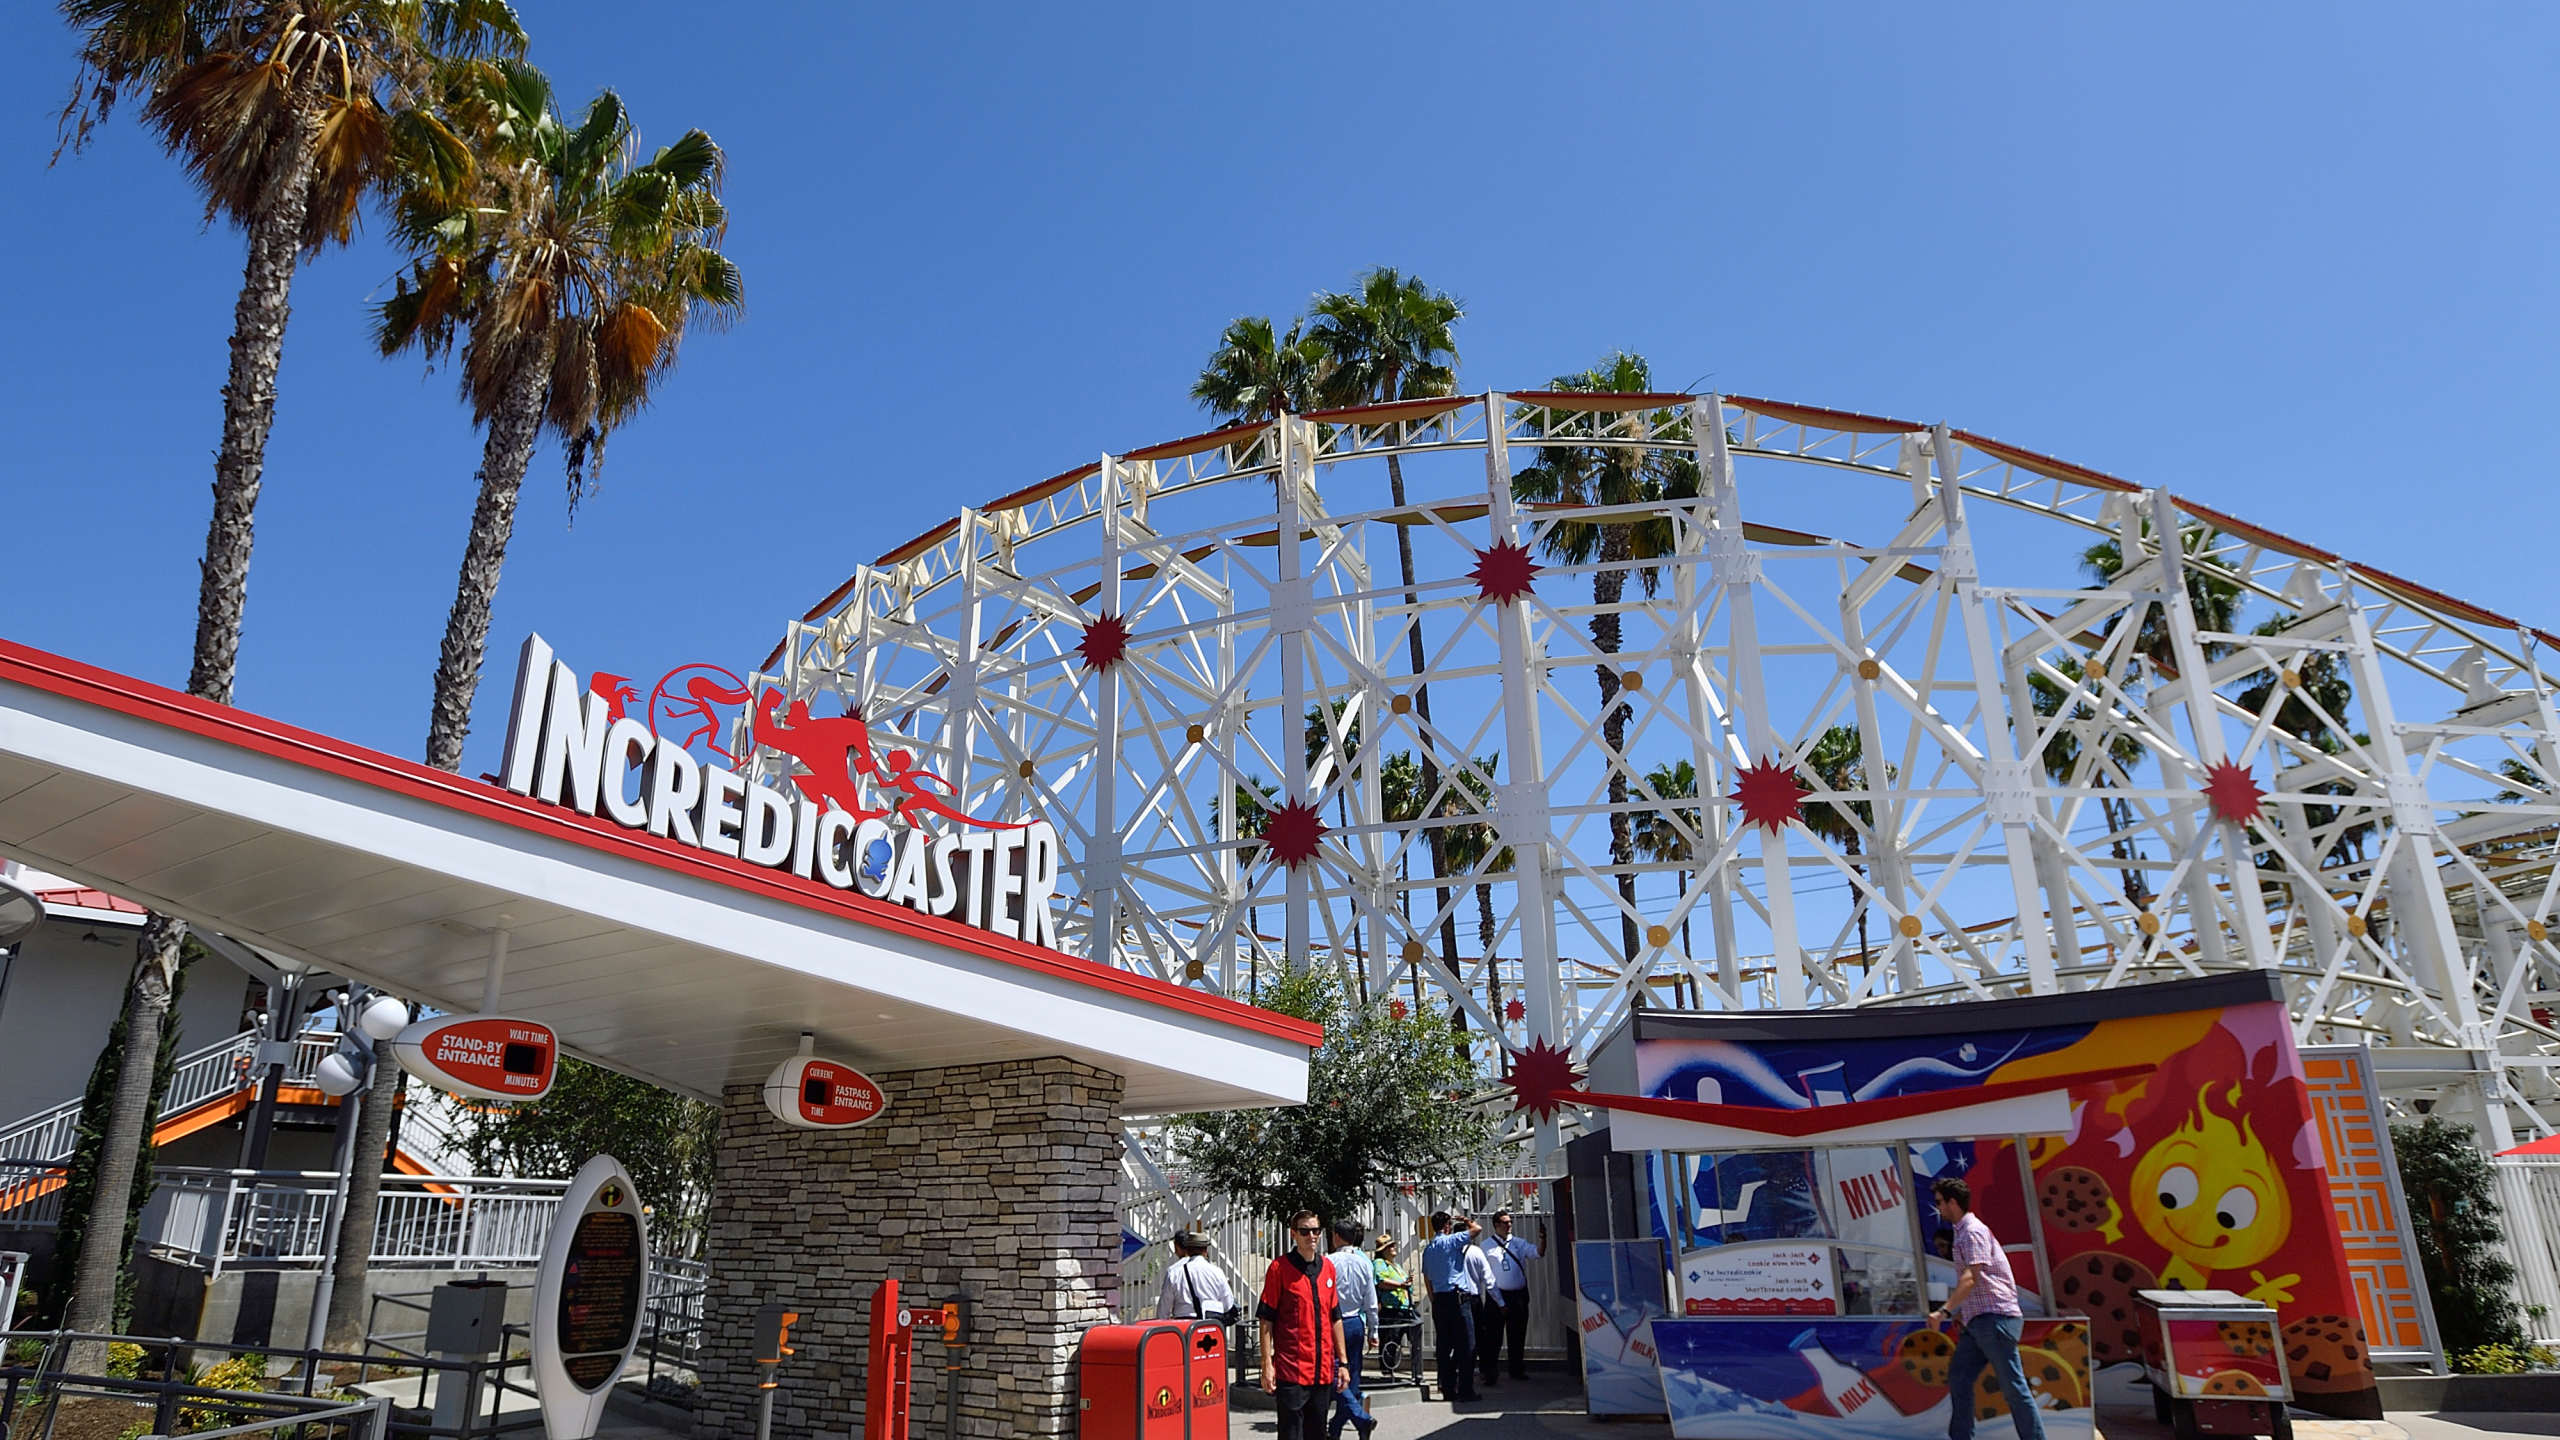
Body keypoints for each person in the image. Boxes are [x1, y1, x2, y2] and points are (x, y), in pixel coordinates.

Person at [1928, 1178, 2047, 1440]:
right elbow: (1980, 1282)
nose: (1937, 1208)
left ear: (1953, 1203)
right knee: (1959, 1378)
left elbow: (1972, 1276)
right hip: (1980, 1320)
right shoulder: (1962, 1231)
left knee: (2013, 1389)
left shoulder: (1971, 1232)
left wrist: (1944, 1311)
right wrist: (1963, 1311)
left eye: (1939, 1202)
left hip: (1994, 1320)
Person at [1259, 1209, 1350, 1440]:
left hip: (1322, 1372)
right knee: (1291, 1435)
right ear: (1293, 1234)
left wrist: (1343, 1363)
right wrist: (1266, 1364)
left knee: (1318, 1433)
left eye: (1315, 1230)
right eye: (1305, 1231)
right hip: (1291, 1371)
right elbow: (1266, 1318)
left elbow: (1335, 1317)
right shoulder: (1279, 1268)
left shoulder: (1328, 1267)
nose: (1311, 1236)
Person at [1417, 1210, 1480, 1402]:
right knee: (1466, 1345)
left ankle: (1447, 1387)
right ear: (1446, 1226)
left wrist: (1434, 1299)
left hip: (1440, 1300)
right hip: (1457, 1298)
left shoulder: (1428, 1249)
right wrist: (1466, 1220)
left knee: (1444, 1346)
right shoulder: (1451, 1241)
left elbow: (1426, 1277)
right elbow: (1477, 1229)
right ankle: (1465, 1389)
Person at [1326, 1221, 1379, 1440]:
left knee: (1333, 1374)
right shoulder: (1364, 1262)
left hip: (1334, 1323)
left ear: (1337, 1237)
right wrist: (1373, 1329)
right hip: (1356, 1321)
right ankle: (1337, 1427)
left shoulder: (1328, 1262)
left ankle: (1359, 1417)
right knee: (1353, 1376)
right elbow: (1371, 1299)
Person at [1479, 1209, 1541, 1381]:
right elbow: (1485, 1274)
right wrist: (1499, 1301)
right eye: (1505, 1222)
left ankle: (1516, 1369)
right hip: (1497, 1295)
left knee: (1517, 1334)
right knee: (1493, 1336)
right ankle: (1489, 1370)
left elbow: (1537, 1253)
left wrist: (1543, 1239)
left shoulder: (1518, 1243)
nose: (1509, 1225)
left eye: (1510, 1222)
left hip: (1518, 1295)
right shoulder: (1486, 1246)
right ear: (1496, 1225)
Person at [1461, 1215, 1506, 1389]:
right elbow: (1489, 1279)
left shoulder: (1446, 1250)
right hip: (1473, 1299)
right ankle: (1487, 1372)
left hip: (1451, 1298)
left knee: (1454, 1339)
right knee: (1479, 1338)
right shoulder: (1476, 1252)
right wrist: (1500, 1302)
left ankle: (1453, 1375)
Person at [1156, 1230, 1237, 1324]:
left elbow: (1163, 1312)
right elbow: (1228, 1305)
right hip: (1211, 1326)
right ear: (1205, 1250)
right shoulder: (1217, 1272)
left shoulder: (1175, 1273)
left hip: (1184, 1328)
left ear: (1188, 1250)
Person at [1372, 1236, 1415, 1372]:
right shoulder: (1379, 1263)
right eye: (1390, 1246)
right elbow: (1381, 1280)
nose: (1394, 1248)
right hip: (1390, 1308)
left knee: (1411, 1336)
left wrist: (1407, 1283)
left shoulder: (1396, 1266)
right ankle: (1387, 1370)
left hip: (1403, 1307)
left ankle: (1413, 1368)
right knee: (1390, 1340)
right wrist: (1401, 1285)